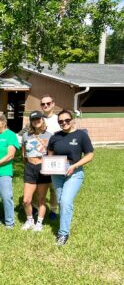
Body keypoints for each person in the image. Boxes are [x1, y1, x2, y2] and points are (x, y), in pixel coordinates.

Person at [48, 109, 94, 246]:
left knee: (66, 201)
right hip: (57, 175)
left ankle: (63, 233)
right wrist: (48, 166)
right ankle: (64, 225)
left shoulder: (81, 135)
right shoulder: (55, 136)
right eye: (61, 121)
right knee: (62, 202)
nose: (64, 123)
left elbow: (90, 154)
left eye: (67, 120)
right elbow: (50, 154)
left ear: (72, 119)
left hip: (74, 173)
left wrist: (74, 166)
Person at [20, 111, 52, 232]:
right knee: (26, 200)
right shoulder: (26, 136)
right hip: (29, 168)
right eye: (34, 120)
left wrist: (47, 168)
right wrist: (28, 164)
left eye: (38, 119)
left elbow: (51, 154)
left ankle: (39, 223)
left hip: (43, 168)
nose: (36, 121)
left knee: (41, 198)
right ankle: (30, 220)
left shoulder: (49, 136)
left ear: (42, 120)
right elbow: (23, 153)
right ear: (31, 122)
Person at [39, 94, 61, 220]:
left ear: (53, 104)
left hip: (54, 157)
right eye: (43, 104)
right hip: (38, 156)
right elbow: (24, 134)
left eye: (48, 103)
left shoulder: (59, 120)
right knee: (39, 184)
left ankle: (53, 209)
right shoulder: (38, 118)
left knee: (54, 186)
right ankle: (37, 207)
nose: (46, 105)